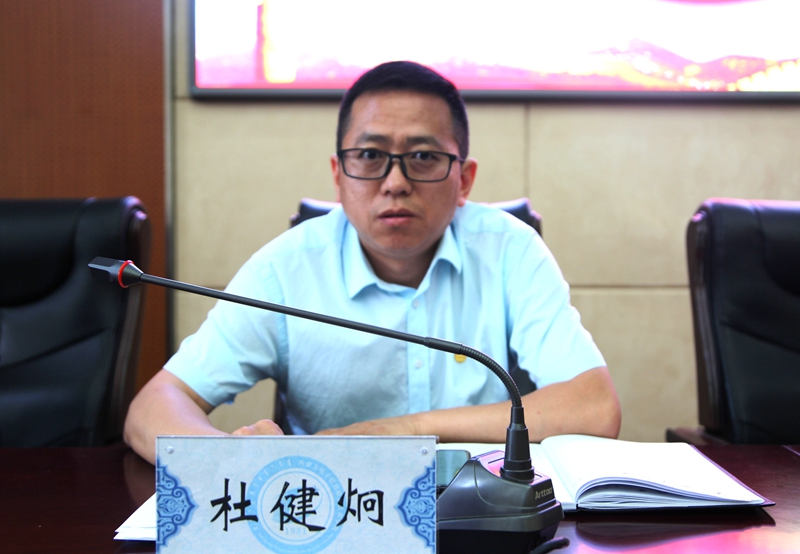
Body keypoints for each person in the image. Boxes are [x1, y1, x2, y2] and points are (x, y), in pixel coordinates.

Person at [125, 61, 621, 464]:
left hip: (479, 511)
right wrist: (225, 459)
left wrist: (405, 430)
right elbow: (155, 406)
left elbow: (594, 407)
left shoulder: (509, 250)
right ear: (338, 175)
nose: (395, 183)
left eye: (423, 157)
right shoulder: (286, 268)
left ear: (464, 180)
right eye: (369, 155)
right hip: (333, 518)